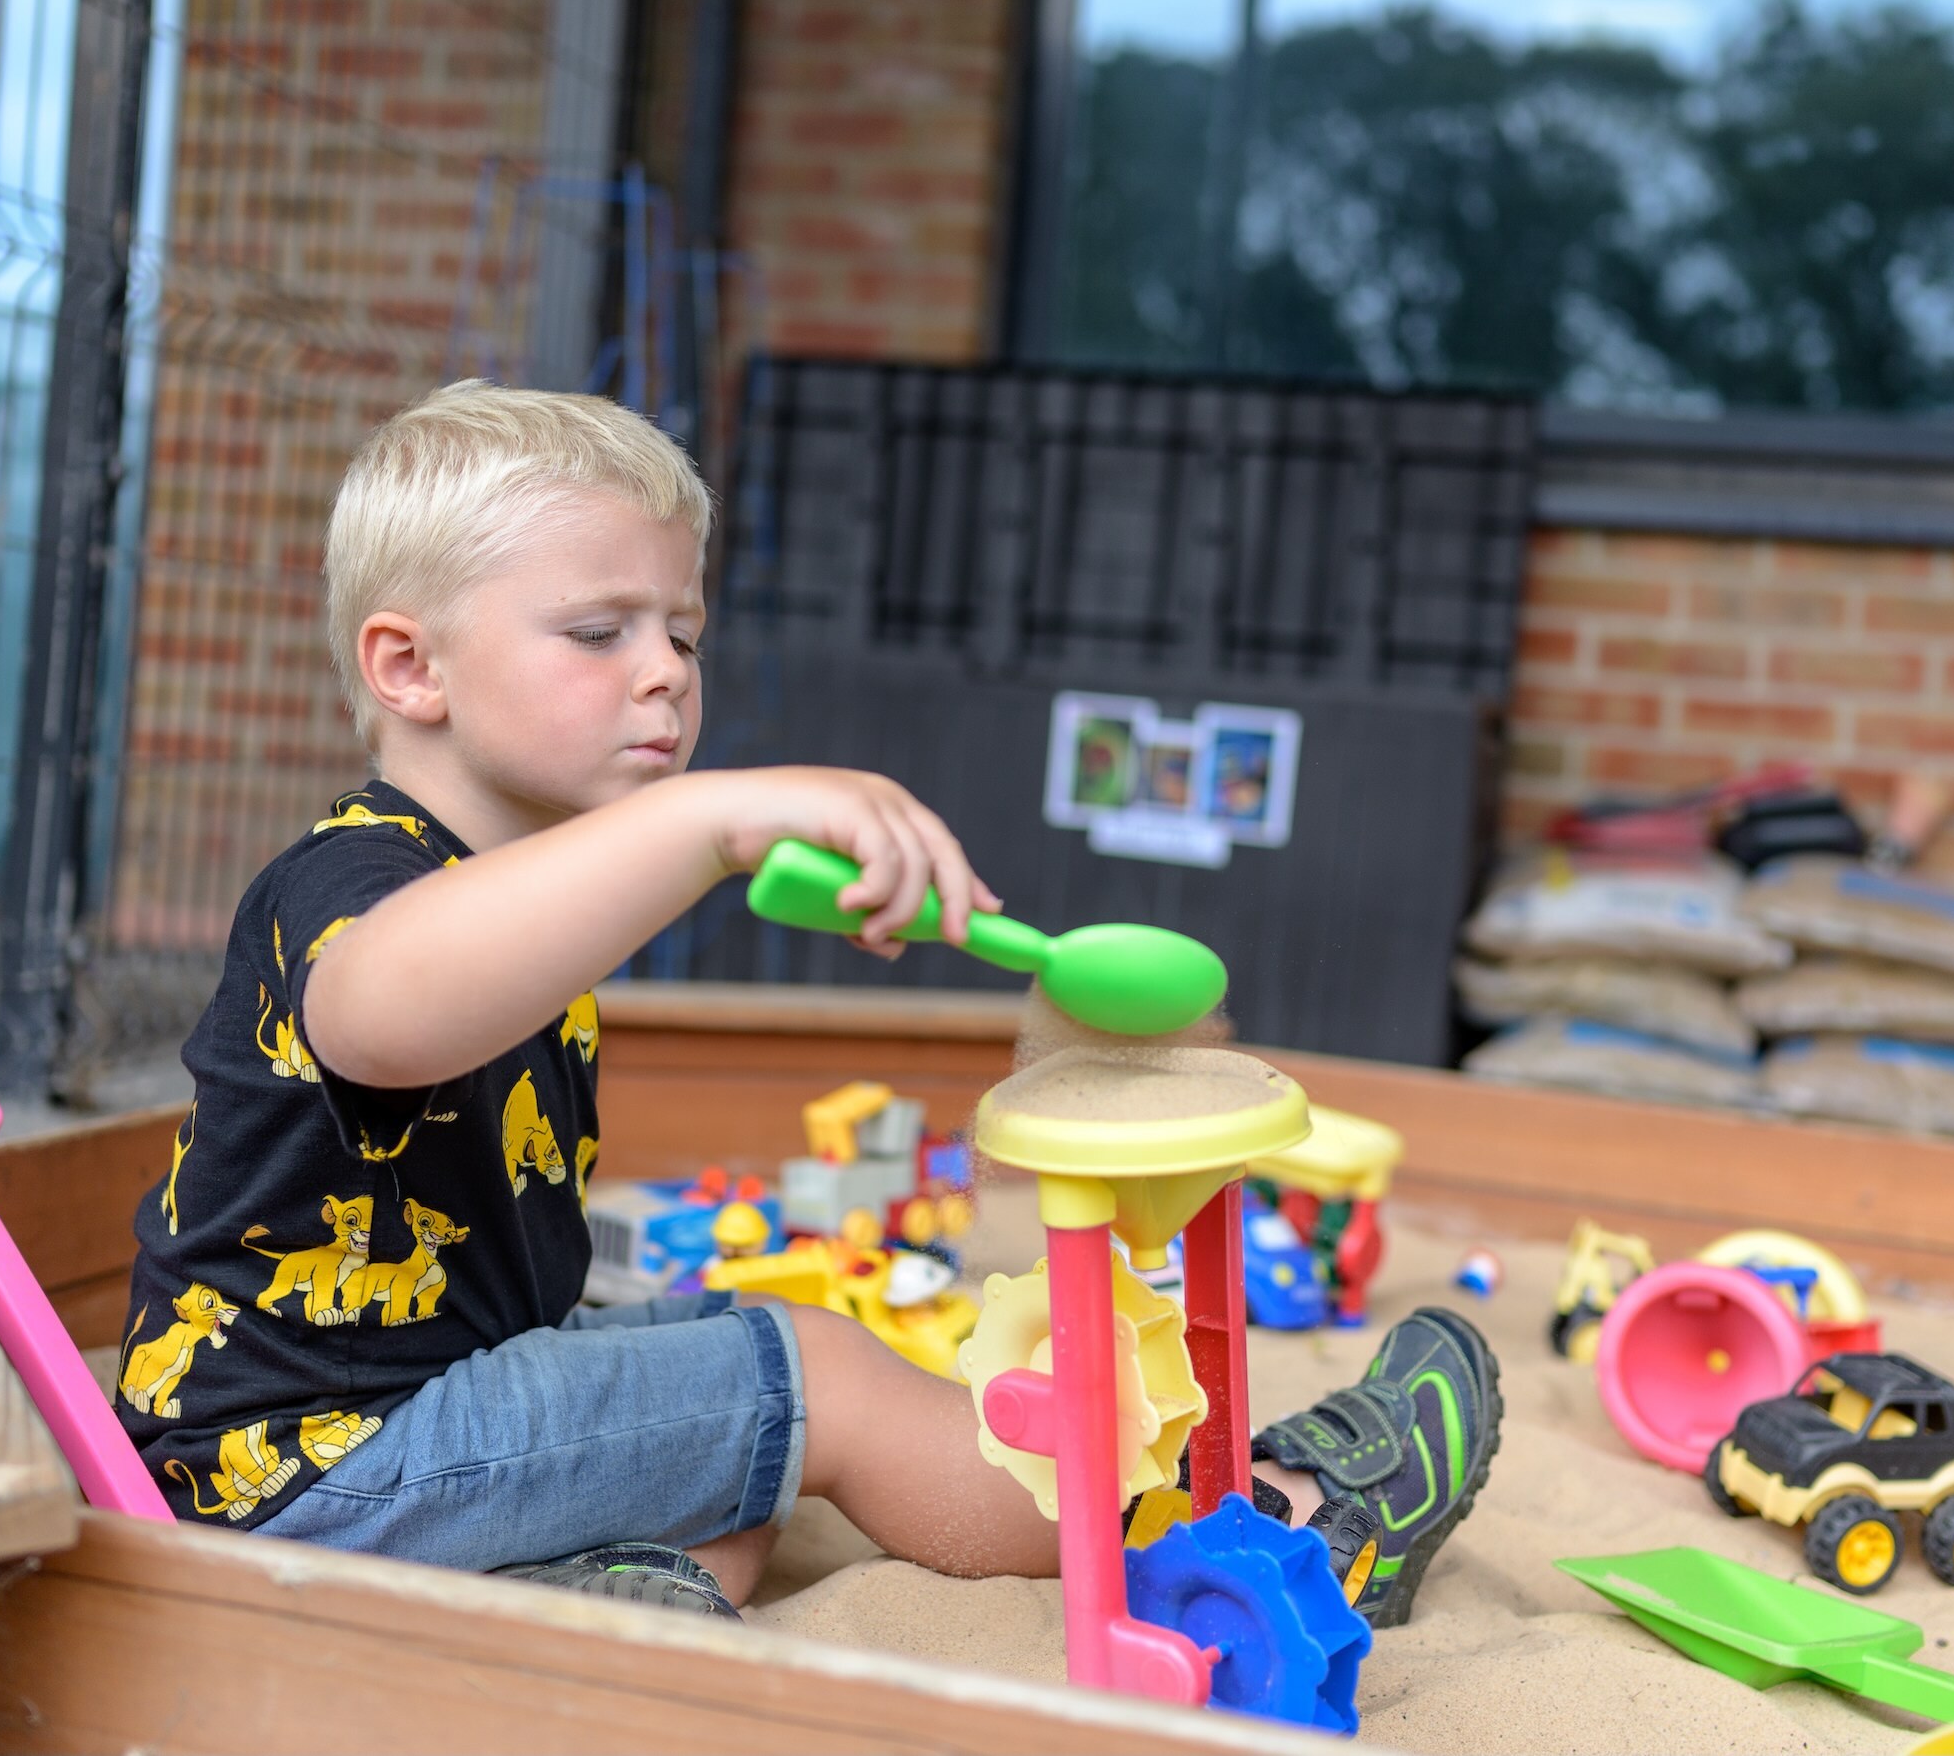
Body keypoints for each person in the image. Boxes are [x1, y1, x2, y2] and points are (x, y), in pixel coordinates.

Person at [119, 381, 1502, 1623]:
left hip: (403, 1414)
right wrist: (712, 817)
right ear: (409, 668)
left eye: (682, 629)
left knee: (728, 1406)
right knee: (813, 1374)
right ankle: (1272, 1531)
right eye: (597, 631)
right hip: (300, 1469)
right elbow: (386, 1012)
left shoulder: (514, 880)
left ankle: (600, 1604)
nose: (664, 669)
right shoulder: (347, 882)